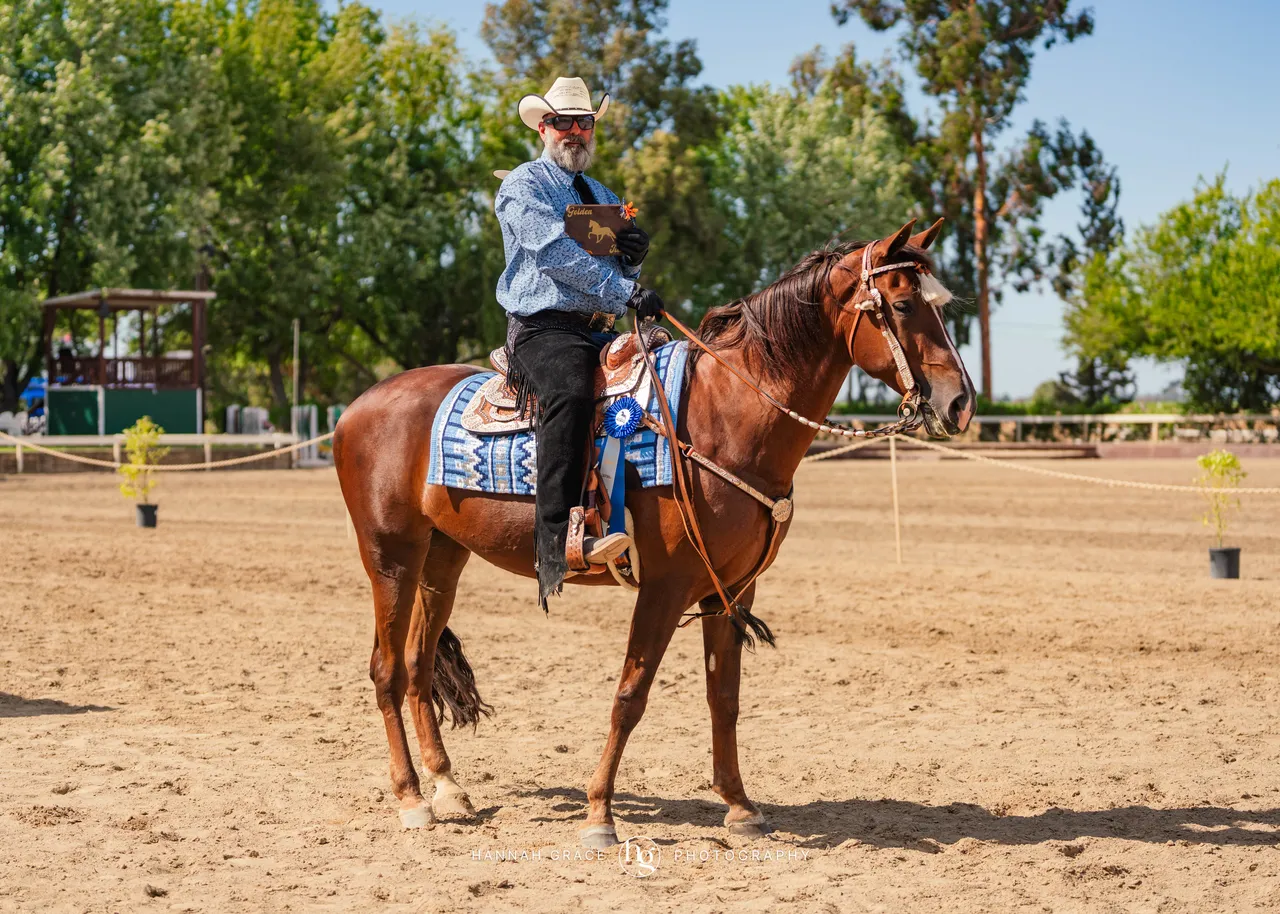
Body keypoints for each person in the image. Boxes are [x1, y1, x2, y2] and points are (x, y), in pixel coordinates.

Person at [495, 76, 666, 608]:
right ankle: (556, 539)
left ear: (593, 130)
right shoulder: (523, 186)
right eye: (563, 122)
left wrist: (633, 256)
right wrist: (627, 286)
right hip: (544, 328)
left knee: (674, 379)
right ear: (543, 128)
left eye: (583, 122)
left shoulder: (606, 197)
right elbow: (555, 255)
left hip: (600, 328)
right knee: (569, 394)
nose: (574, 131)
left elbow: (611, 266)